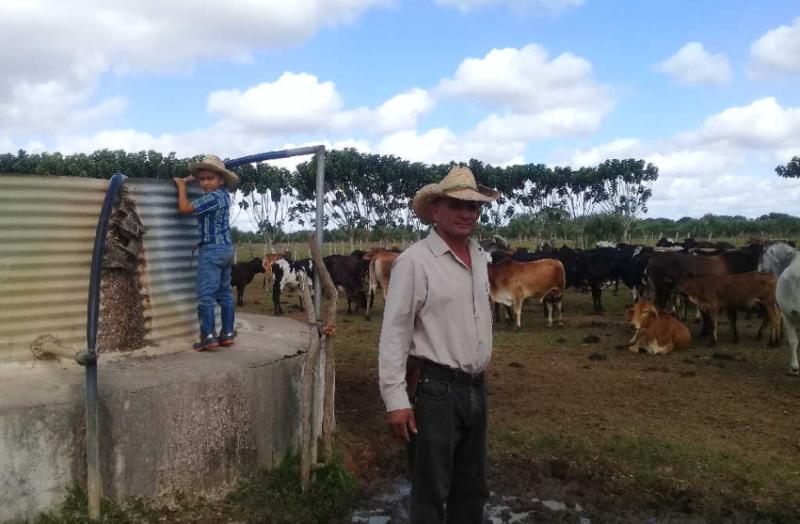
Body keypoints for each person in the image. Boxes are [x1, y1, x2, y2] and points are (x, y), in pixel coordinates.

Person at [378, 165, 498, 523]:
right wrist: (395, 399)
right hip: (435, 391)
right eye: (456, 205)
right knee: (431, 492)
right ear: (435, 210)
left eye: (473, 207)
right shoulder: (415, 262)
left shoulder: (479, 256)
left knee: (472, 488)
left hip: (475, 389)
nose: (466, 214)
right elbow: (394, 332)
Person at [173, 154, 238, 351]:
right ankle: (227, 334)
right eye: (201, 179)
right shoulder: (224, 195)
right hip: (226, 249)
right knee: (225, 292)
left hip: (212, 251)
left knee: (205, 295)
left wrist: (182, 186)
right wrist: (202, 242)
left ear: (221, 180)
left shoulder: (210, 198)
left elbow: (184, 208)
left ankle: (208, 337)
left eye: (210, 179)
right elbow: (214, 225)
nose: (204, 183)